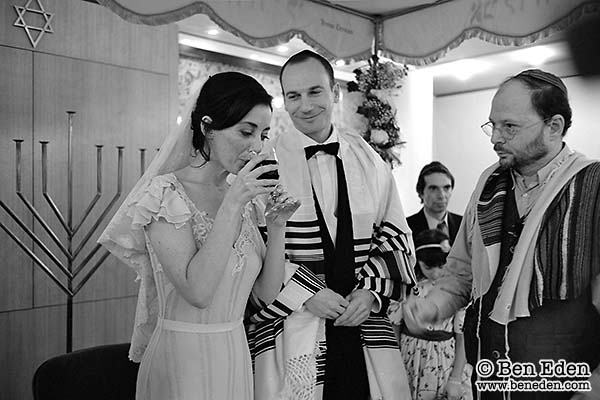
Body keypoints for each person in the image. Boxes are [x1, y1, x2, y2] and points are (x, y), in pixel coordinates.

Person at [98, 72, 301, 400]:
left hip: (235, 354)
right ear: (207, 128)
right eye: (245, 132)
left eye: (263, 135)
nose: (257, 147)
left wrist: (277, 227)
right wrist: (234, 203)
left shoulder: (240, 196)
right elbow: (198, 291)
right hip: (182, 359)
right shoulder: (165, 194)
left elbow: (265, 294)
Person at [403, 69, 600, 400]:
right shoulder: (488, 185)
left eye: (509, 127)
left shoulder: (592, 188)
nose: (495, 138)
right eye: (492, 125)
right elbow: (462, 273)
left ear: (554, 126)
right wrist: (431, 307)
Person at [246, 49, 417, 400]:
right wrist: (308, 293)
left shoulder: (369, 159)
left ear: (335, 93)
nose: (305, 105)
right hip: (295, 322)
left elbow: (395, 233)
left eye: (314, 92)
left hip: (360, 321)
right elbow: (252, 249)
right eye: (293, 96)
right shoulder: (265, 166)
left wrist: (370, 294)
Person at [388, 229, 472, 400]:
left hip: (444, 359)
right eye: (428, 267)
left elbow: (462, 337)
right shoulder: (407, 289)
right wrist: (393, 370)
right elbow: (394, 332)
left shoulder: (454, 292)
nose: (435, 273)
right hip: (409, 357)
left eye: (442, 266)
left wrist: (455, 379)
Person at [407, 161, 462, 244]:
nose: (441, 195)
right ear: (421, 192)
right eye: (433, 188)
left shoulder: (464, 226)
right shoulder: (406, 228)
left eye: (446, 188)